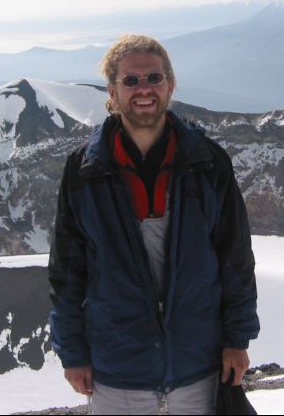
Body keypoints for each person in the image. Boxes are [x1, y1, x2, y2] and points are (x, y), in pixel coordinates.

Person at [48, 34, 260, 415]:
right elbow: (68, 270)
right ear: (111, 91)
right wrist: (72, 352)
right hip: (119, 370)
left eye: (154, 78)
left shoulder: (208, 163)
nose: (143, 89)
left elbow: (235, 257)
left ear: (170, 85)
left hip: (198, 365)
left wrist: (237, 338)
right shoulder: (85, 170)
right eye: (130, 81)